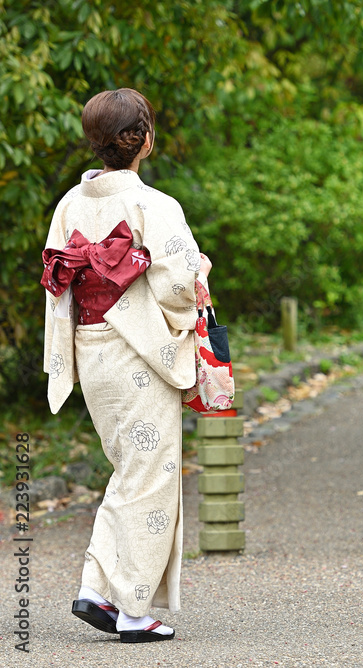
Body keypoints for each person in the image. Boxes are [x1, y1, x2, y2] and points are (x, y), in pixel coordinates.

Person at [40, 88, 210, 643]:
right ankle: (134, 609)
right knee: (150, 475)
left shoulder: (70, 204)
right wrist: (200, 270)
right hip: (138, 351)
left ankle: (96, 587)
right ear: (146, 140)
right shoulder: (154, 206)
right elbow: (181, 286)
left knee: (129, 470)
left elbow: (60, 282)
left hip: (92, 351)